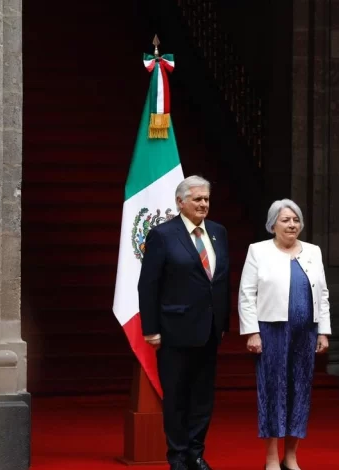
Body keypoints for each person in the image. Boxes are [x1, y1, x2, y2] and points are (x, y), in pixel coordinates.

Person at [138, 175, 230, 470]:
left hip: (210, 330)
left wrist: (223, 321)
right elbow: (148, 285)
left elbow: (220, 281)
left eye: (206, 199)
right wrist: (150, 329)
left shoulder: (218, 232)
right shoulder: (163, 235)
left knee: (203, 398)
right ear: (180, 202)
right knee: (177, 396)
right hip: (174, 330)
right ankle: (177, 456)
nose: (204, 204)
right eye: (197, 199)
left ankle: (196, 452)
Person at [238, 199, 331, 470]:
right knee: (273, 390)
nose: (292, 225)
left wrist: (323, 331)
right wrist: (252, 332)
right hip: (271, 331)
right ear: (272, 224)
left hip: (306, 332)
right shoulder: (258, 251)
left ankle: (290, 456)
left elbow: (323, 294)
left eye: (295, 220)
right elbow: (247, 294)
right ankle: (270, 458)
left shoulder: (313, 251)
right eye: (285, 220)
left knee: (300, 391)